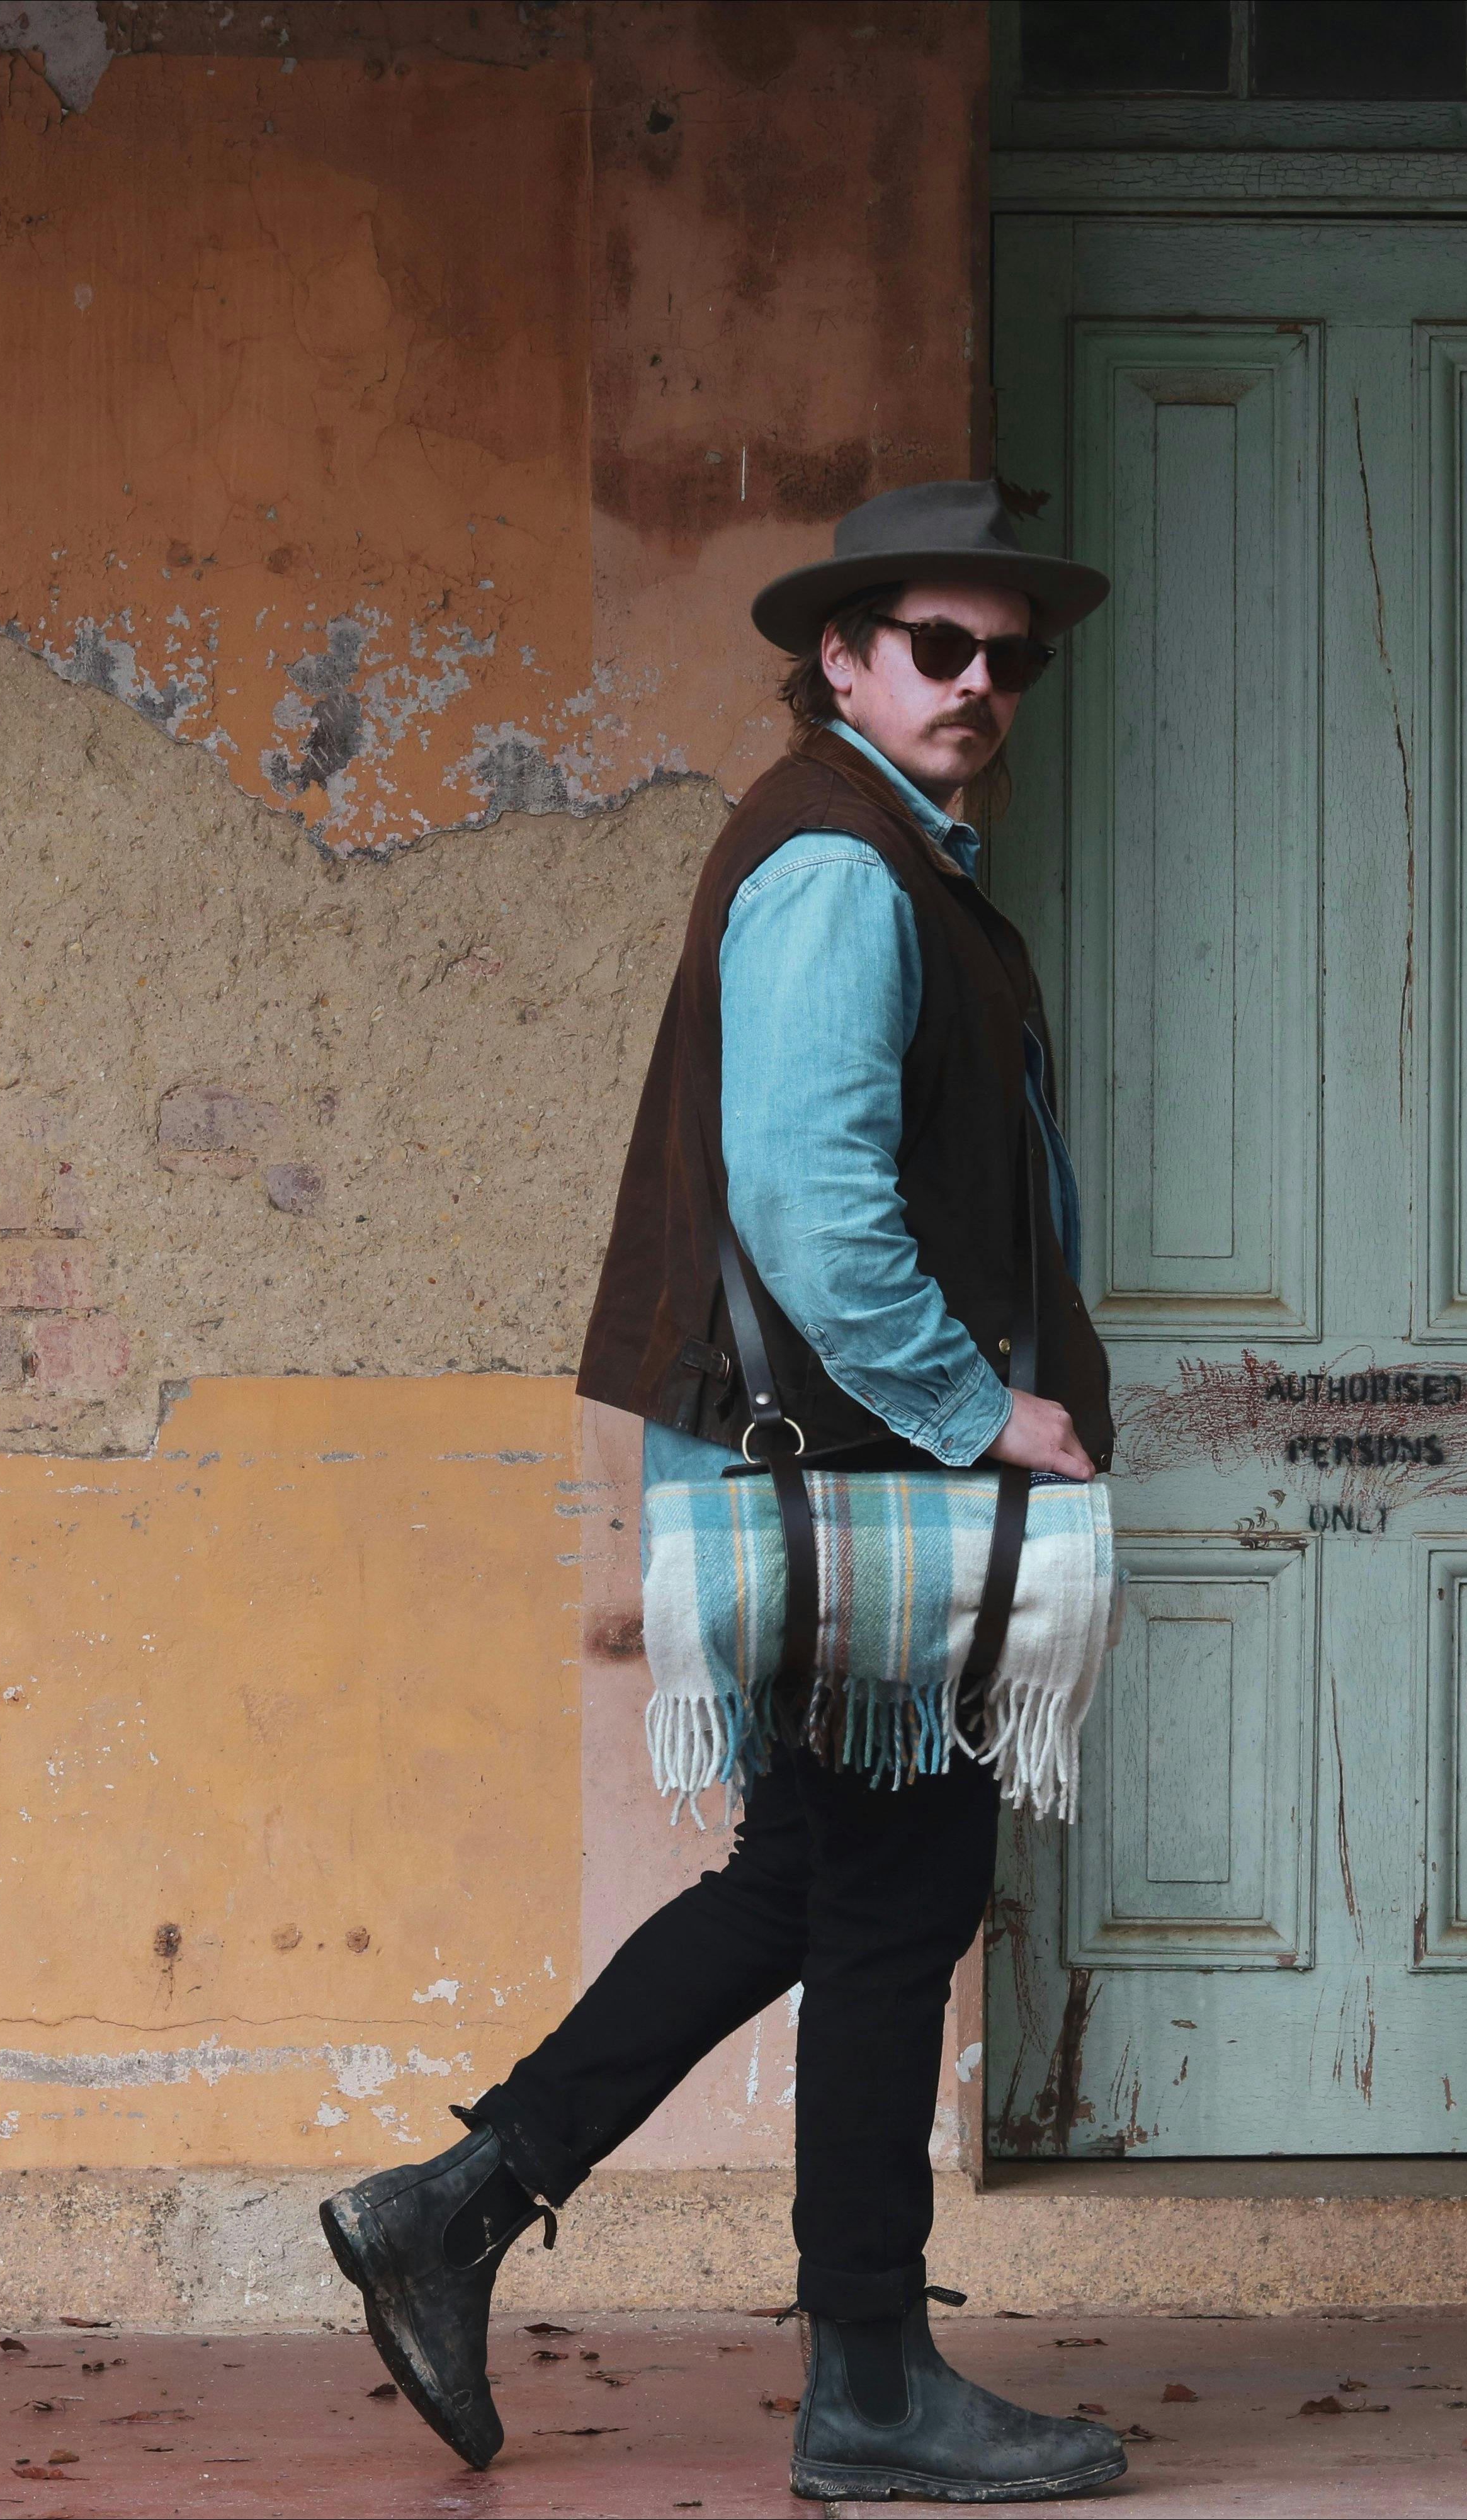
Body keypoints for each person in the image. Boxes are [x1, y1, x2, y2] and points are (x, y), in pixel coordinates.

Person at [320, 480, 1124, 2504]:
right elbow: (812, 1203)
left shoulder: (881, 848)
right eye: (934, 645)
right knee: (893, 1899)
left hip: (837, 1485)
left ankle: (454, 2203)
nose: (976, 682)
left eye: (1006, 656)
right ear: (839, 661)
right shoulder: (841, 865)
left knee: (810, 1881)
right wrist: (982, 1411)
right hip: (859, 1477)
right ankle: (870, 2382)